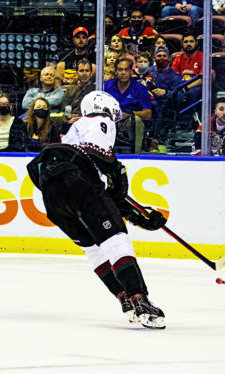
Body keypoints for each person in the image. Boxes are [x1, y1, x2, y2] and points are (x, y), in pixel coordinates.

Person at [26, 91, 167, 329]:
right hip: (77, 183)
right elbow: (98, 164)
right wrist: (122, 182)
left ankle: (124, 297)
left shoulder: (75, 129)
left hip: (53, 197)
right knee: (116, 240)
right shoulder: (100, 120)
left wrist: (138, 214)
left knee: (93, 247)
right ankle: (139, 300)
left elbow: (106, 192)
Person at [105, 58, 152, 153]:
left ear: (131, 71)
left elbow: (148, 114)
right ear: (115, 72)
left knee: (137, 120)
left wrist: (130, 113)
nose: (123, 73)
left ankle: (136, 155)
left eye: (126, 70)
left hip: (129, 122)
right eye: (120, 70)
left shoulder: (140, 88)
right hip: (110, 121)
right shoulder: (106, 87)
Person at [171, 33, 203, 110]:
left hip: (196, 86)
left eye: (191, 41)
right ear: (182, 44)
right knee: (173, 93)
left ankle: (189, 117)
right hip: (181, 86)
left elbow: (202, 80)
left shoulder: (202, 57)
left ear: (196, 42)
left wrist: (186, 86)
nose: (188, 44)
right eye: (185, 42)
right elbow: (173, 77)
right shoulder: (178, 58)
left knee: (192, 92)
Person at [59, 59, 96, 124]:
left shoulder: (96, 90)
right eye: (81, 71)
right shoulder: (70, 91)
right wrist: (69, 117)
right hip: (72, 122)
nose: (84, 74)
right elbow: (64, 110)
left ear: (91, 73)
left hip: (91, 122)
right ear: (77, 73)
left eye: (87, 71)